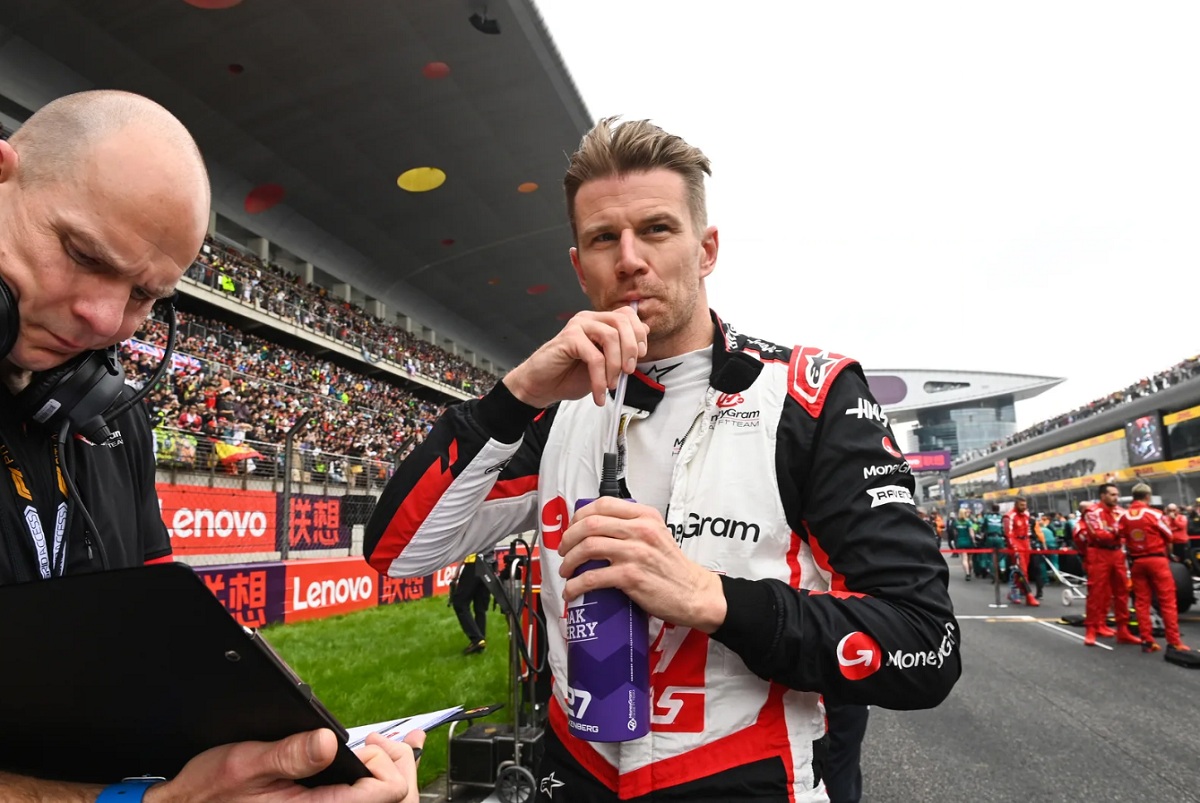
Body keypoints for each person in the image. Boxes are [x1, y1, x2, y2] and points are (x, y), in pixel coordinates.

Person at [365, 117, 960, 802]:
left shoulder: (809, 396)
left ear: (706, 249)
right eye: (602, 238)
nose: (629, 259)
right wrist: (515, 393)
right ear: (577, 263)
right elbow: (397, 551)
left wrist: (714, 598)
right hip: (578, 767)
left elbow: (926, 644)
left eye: (655, 229)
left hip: (749, 774)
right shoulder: (556, 408)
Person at [0, 90, 421, 802]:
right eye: (81, 253)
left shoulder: (112, 422)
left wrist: (306, 756)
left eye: (143, 296)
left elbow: (170, 656)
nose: (103, 319)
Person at [1115, 483, 1190, 653]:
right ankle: (1174, 642)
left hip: (1137, 562)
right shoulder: (1154, 514)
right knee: (1167, 601)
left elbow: (1118, 535)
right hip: (1157, 560)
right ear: (1148, 496)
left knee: (1141, 602)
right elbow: (1169, 535)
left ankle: (1147, 641)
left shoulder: (1123, 516)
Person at [1079, 483, 1138, 647]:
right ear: (1103, 495)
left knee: (1122, 591)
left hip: (1117, 553)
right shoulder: (1092, 512)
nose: (1116, 497)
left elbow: (1128, 532)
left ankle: (1123, 630)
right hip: (1098, 553)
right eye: (1112, 494)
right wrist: (1117, 532)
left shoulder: (1121, 512)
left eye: (1116, 494)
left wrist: (1114, 533)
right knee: (1096, 591)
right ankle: (1091, 629)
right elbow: (1097, 534)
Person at [450, 552, 491, 654]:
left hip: (474, 563)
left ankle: (477, 639)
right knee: (480, 607)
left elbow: (466, 548)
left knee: (459, 602)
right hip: (489, 564)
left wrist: (457, 571)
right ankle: (480, 642)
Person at [1002, 498, 1040, 606]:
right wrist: (1013, 547)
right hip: (1016, 544)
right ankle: (1029, 595)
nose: (1024, 507)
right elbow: (1008, 534)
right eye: (1021, 505)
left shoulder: (1026, 515)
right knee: (1022, 570)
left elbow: (1027, 531)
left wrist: (1028, 544)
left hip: (1025, 544)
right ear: (1016, 505)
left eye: (1025, 505)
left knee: (1022, 570)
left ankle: (1014, 592)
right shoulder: (1009, 516)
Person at [952, 513, 975, 581]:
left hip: (960, 541)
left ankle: (967, 573)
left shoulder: (956, 523)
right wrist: (973, 540)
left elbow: (955, 533)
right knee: (970, 559)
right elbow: (972, 534)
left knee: (964, 558)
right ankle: (970, 572)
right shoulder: (968, 522)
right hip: (968, 542)